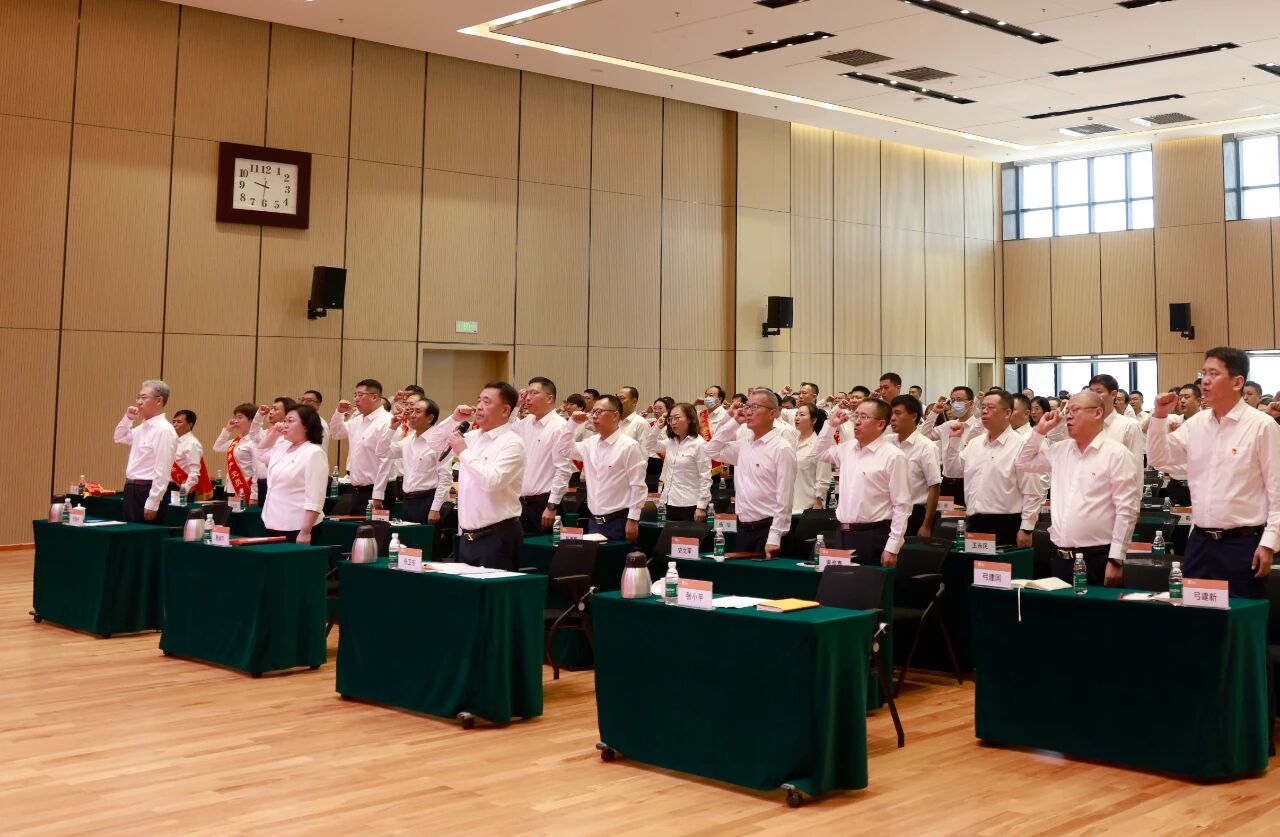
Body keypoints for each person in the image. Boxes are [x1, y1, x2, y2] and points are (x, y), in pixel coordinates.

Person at [1146, 347, 1280, 598]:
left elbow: (1277, 489)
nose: (1205, 380)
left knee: (1238, 614)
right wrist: (1160, 417)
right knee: (1195, 615)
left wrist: (1269, 543)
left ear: (1237, 382)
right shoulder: (1197, 424)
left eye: (1214, 374)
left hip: (1241, 543)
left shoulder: (1262, 426)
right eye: (1204, 373)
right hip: (1199, 541)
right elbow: (1158, 458)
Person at [1017, 392, 1140, 587]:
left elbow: (1127, 510)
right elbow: (1023, 463)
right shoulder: (1060, 450)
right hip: (1060, 557)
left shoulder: (1117, 454)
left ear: (1097, 413)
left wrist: (1116, 559)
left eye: (1075, 410)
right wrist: (1039, 431)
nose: (1068, 416)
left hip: (1098, 557)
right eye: (1067, 411)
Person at [425, 382, 526, 570]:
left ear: (505, 410)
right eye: (478, 401)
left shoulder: (512, 443)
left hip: (497, 535)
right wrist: (454, 419)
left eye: (487, 402)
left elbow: (492, 481)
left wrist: (464, 452)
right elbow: (433, 442)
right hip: (467, 536)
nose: (479, 406)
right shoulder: (472, 437)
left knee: (492, 588)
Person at [813, 398, 910, 565]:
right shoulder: (847, 448)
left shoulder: (893, 456)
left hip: (873, 535)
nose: (857, 421)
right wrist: (830, 425)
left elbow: (902, 505)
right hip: (842, 533)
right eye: (856, 416)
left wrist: (892, 547)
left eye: (864, 417)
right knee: (839, 581)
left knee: (867, 582)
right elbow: (818, 453)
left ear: (880, 424)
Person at [704, 389, 798, 556]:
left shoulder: (782, 448)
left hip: (768, 529)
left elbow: (785, 497)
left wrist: (775, 536)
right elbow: (711, 449)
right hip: (743, 528)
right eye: (747, 406)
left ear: (773, 413)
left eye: (755, 407)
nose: (748, 412)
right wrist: (734, 422)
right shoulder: (744, 446)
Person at [944, 391, 1043, 547]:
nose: (984, 411)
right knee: (976, 563)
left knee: (1003, 563)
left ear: (1007, 413)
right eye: (983, 407)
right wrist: (954, 441)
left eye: (990, 407)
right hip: (974, 521)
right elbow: (953, 471)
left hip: (1006, 523)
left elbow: (1033, 491)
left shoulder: (1022, 446)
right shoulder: (975, 444)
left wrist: (1027, 528)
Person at [560, 395, 646, 542]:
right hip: (594, 521)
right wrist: (572, 424)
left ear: (615, 415)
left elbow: (637, 485)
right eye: (593, 412)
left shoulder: (629, 446)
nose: (594, 416)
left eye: (599, 412)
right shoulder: (590, 443)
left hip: (619, 521)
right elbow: (563, 450)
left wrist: (633, 519)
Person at [256, 404, 328, 543]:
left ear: (306, 426)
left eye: (290, 421)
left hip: (298, 526)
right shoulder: (283, 447)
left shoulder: (314, 453)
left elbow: (315, 497)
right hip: (273, 521)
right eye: (284, 421)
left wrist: (305, 531)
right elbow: (260, 453)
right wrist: (274, 434)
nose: (285, 424)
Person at [511, 377, 573, 534]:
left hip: (545, 504)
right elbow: (507, 428)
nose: (528, 398)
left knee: (544, 548)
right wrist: (516, 404)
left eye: (534, 393)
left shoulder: (560, 426)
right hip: (521, 504)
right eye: (527, 393)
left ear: (549, 398)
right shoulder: (527, 422)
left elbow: (563, 469)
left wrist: (552, 505)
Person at [113, 380, 178, 523]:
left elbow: (162, 470)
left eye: (144, 397)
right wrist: (128, 418)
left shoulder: (164, 430)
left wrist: (153, 502)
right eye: (138, 397)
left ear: (159, 400)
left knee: (140, 534)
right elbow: (118, 437)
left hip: (147, 491)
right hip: (131, 489)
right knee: (128, 531)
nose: (139, 402)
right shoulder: (142, 428)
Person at [381, 396, 452, 525]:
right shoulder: (408, 440)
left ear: (430, 418)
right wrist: (391, 429)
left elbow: (445, 478)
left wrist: (435, 508)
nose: (412, 415)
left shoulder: (440, 442)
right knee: (407, 538)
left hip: (428, 500)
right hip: (408, 500)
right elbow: (382, 452)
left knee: (426, 537)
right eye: (412, 411)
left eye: (417, 412)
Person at [329, 379, 391, 514]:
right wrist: (339, 413)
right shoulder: (356, 421)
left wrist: (378, 494)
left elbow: (386, 460)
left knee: (373, 528)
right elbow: (336, 433)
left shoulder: (387, 421)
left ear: (374, 397)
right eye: (355, 395)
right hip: (357, 490)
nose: (356, 399)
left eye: (360, 395)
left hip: (377, 491)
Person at [889, 394, 942, 537]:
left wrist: (926, 525)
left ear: (913, 416)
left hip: (914, 514)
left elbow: (934, 487)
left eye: (897, 413)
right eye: (891, 413)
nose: (892, 418)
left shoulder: (926, 447)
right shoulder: (887, 442)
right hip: (888, 513)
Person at [923, 386, 982, 506]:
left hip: (968, 482)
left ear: (971, 403)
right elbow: (924, 436)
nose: (955, 404)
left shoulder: (978, 427)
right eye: (953, 400)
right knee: (946, 516)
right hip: (947, 482)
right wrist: (934, 413)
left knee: (966, 516)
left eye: (959, 400)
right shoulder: (948, 425)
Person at [654, 402, 712, 522]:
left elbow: (705, 477)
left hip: (690, 504)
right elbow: (648, 445)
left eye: (677, 418)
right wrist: (657, 427)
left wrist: (701, 506)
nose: (673, 422)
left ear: (690, 419)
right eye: (670, 419)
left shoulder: (699, 444)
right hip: (667, 501)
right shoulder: (670, 442)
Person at [1158, 383, 1202, 505]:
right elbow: (1146, 429)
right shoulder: (1174, 420)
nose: (1182, 401)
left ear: (1198, 401)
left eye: (1187, 397)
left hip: (1200, 485)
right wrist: (1162, 410)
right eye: (1180, 397)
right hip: (1176, 484)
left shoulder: (1209, 421)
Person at [213, 403, 261, 504]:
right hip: (229, 489)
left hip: (245, 488)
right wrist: (227, 430)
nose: (236, 420)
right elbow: (217, 447)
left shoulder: (255, 441)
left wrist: (254, 496)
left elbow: (257, 471)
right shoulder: (236, 441)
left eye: (240, 417)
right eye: (235, 417)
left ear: (251, 420)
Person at [792, 403, 833, 515]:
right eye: (796, 414)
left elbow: (823, 478)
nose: (797, 418)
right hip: (787, 505)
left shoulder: (819, 445)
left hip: (807, 507)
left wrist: (818, 502)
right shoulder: (791, 441)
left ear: (813, 420)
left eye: (802, 415)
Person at [255, 396, 295, 507]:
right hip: (263, 481)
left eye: (275, 409)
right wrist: (259, 415)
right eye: (271, 408)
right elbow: (254, 434)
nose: (271, 411)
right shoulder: (267, 432)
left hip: (279, 482)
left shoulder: (288, 438)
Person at [170, 409, 211, 501]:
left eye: (179, 422)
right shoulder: (173, 441)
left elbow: (194, 472)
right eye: (174, 421)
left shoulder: (192, 444)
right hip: (169, 486)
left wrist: (184, 492)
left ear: (190, 424)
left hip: (181, 488)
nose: (175, 424)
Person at [615, 386, 656, 454]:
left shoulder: (641, 423)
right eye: (617, 399)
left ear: (634, 402)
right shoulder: (613, 421)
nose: (617, 402)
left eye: (621, 398)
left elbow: (644, 453)